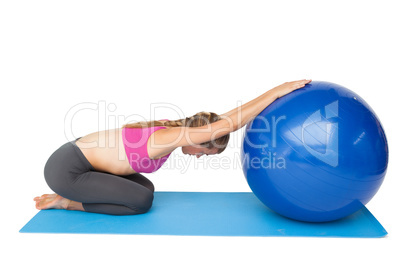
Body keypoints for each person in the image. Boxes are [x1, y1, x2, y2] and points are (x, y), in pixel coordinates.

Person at [34, 79, 312, 215]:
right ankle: (66, 201)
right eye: (205, 154)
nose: (199, 158)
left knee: (145, 188)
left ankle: (71, 196)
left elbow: (220, 122)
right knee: (141, 202)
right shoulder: (172, 136)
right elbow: (225, 125)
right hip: (67, 170)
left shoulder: (177, 126)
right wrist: (277, 91)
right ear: (198, 140)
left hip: (75, 158)